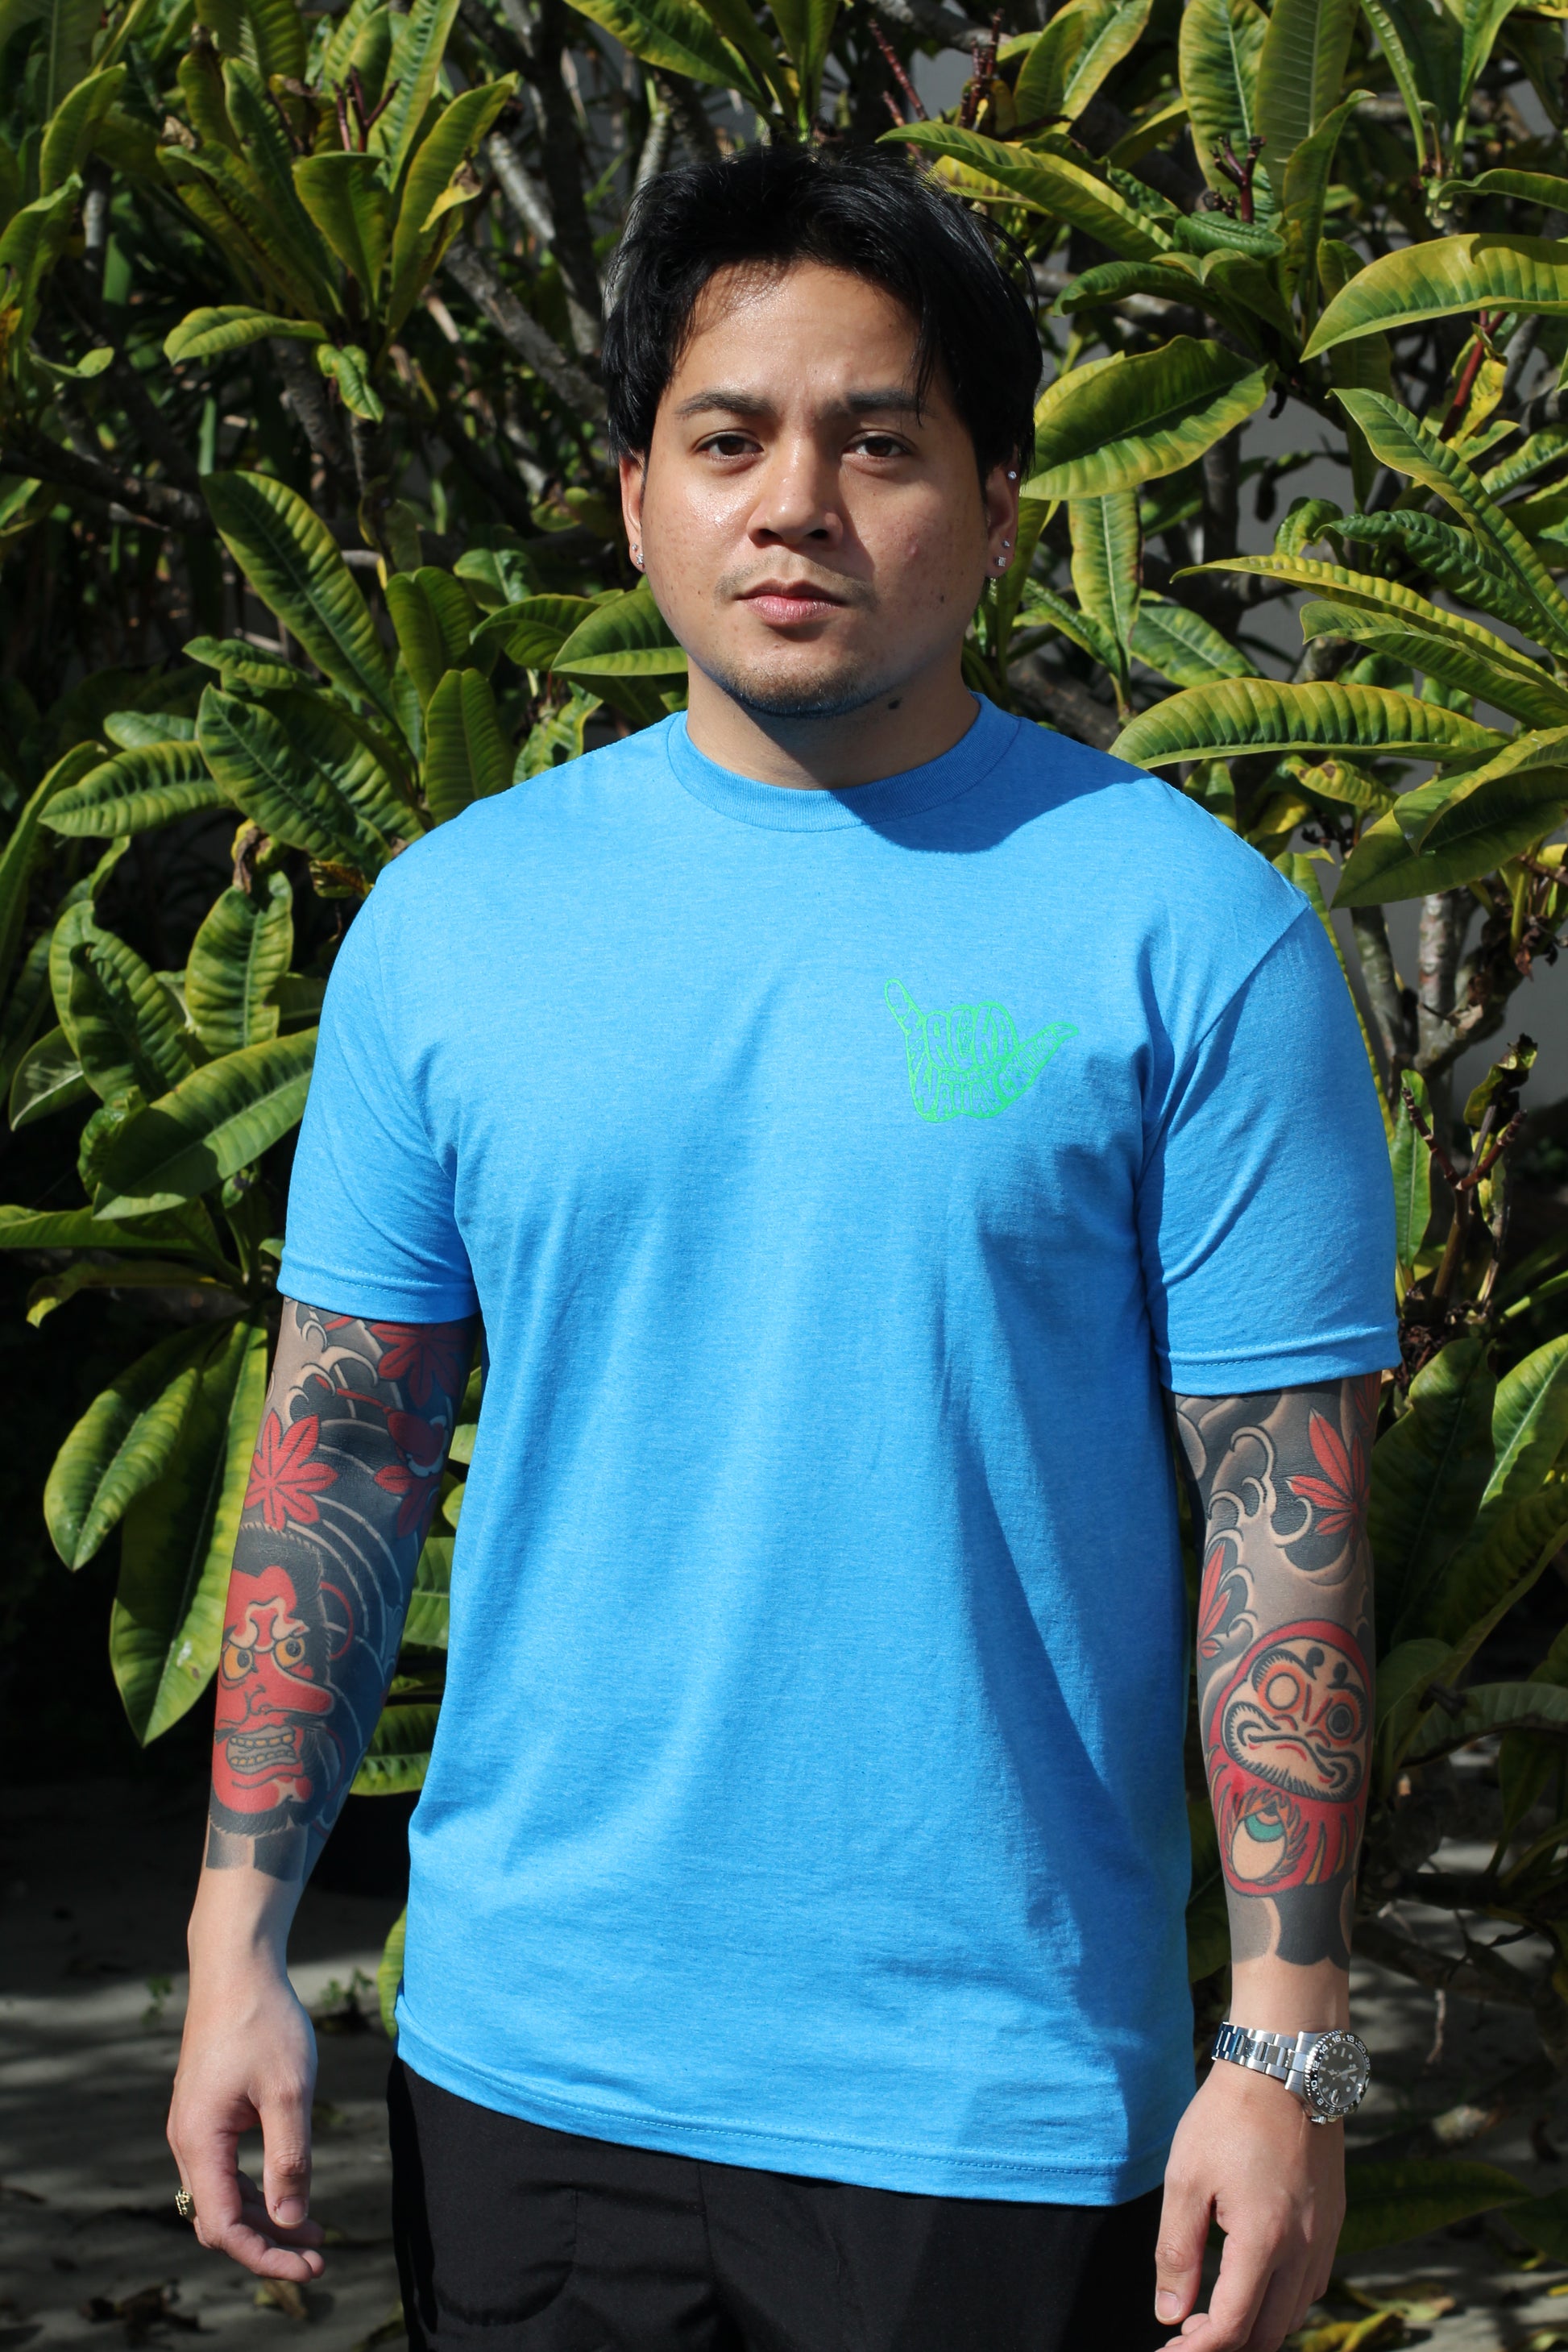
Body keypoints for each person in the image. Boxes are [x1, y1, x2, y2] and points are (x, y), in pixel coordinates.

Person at [167, 143, 1396, 2352]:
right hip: (528, 2069)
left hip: (991, 2097)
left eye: (879, 443)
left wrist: (1284, 2045)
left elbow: (1282, 1526)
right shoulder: (453, 929)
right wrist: (233, 1941)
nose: (796, 505)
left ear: (1000, 506)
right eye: (728, 439)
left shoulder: (1191, 937)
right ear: (635, 498)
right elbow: (340, 1452)